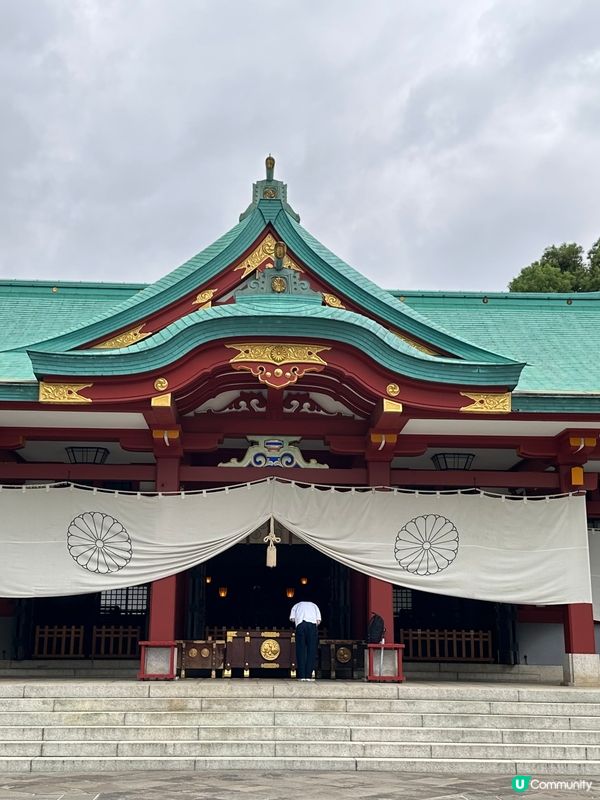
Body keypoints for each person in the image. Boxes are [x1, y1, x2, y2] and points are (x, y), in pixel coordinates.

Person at [289, 595, 321, 681]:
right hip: (312, 626)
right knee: (311, 651)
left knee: (301, 650)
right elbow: (318, 620)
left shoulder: (296, 605)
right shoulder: (314, 605)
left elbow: (292, 618)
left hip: (301, 625)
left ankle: (301, 676)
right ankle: (308, 676)